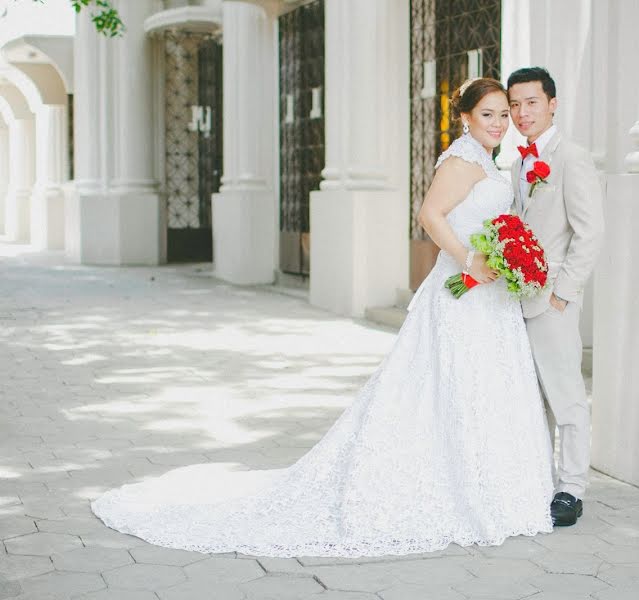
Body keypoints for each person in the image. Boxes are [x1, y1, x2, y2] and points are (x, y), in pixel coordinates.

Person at [90, 78, 555, 558]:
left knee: (483, 385)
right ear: (465, 117)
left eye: (504, 115)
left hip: (489, 299)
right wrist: (469, 261)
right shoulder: (461, 160)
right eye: (489, 115)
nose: (499, 123)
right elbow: (430, 216)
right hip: (463, 290)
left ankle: (493, 483)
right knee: (452, 385)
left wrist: (505, 254)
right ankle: (458, 487)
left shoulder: (490, 161)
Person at [507, 67, 604, 527]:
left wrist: (564, 295)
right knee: (532, 399)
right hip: (518, 300)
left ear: (552, 104)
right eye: (514, 105)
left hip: (553, 301)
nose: (522, 113)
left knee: (566, 398)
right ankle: (538, 481)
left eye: (531, 102)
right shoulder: (516, 163)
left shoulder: (572, 158)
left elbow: (590, 233)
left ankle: (572, 489)